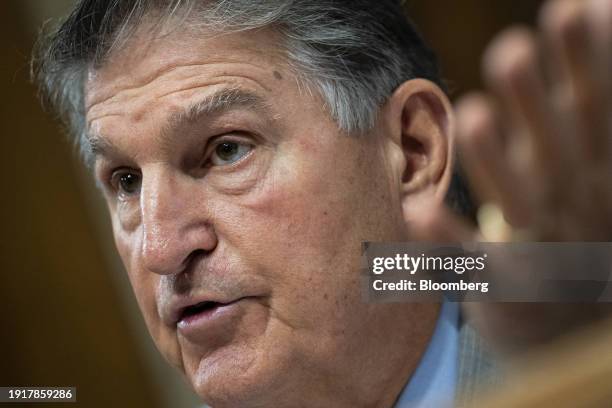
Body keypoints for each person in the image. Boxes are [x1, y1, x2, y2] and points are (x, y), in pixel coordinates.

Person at [32, 0, 611, 407]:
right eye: (127, 181)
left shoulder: (567, 336)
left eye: (226, 150)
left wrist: (579, 359)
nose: (159, 249)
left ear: (412, 152)